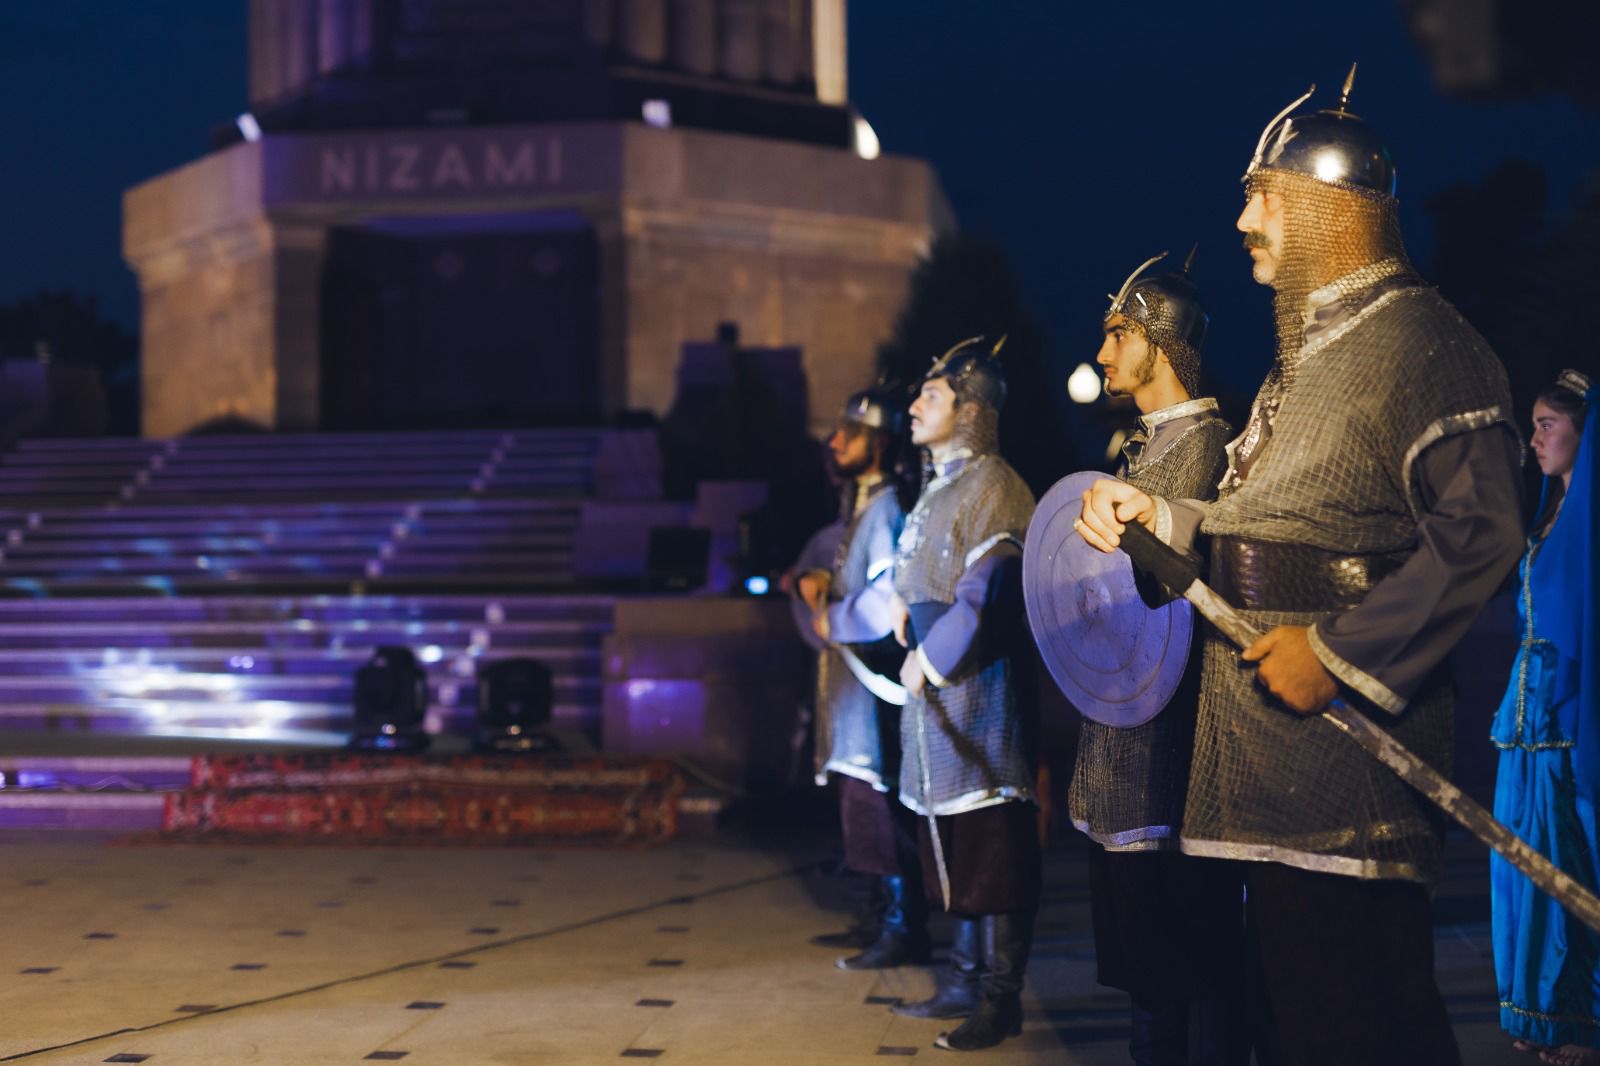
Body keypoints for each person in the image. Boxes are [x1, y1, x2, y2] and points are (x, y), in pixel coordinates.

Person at [1076, 72, 1525, 1065]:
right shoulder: (1304, 362)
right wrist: (1164, 515)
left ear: (1333, 208)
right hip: (1263, 764)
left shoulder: (1419, 340)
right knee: (1294, 1025)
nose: (1241, 219)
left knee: (1365, 1024)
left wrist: (1341, 652)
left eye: (1261, 193)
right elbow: (1261, 529)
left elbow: (1485, 528)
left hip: (1346, 763)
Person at [1070, 251, 1245, 1065]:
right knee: (1150, 973)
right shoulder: (1143, 447)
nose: (1103, 354)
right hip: (1126, 735)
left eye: (1118, 333)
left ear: (1161, 338)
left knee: (1183, 970)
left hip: (1172, 749)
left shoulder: (1207, 446)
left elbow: (1175, 595)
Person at [885, 336, 1039, 1052]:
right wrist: (900, 603)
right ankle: (962, 975)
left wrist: (933, 662)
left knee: (991, 849)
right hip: (934, 692)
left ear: (971, 409)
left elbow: (987, 593)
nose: (915, 406)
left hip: (978, 691)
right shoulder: (941, 484)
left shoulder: (995, 485)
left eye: (933, 396)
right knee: (949, 839)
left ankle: (1000, 997)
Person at [793, 386, 928, 970]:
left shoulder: (888, 505)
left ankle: (904, 928)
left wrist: (833, 614)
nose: (836, 441)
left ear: (877, 442)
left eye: (850, 432)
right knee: (859, 802)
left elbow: (885, 597)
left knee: (877, 804)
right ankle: (881, 915)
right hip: (848, 688)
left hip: (872, 688)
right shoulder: (860, 504)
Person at [1491, 369, 1599, 1066]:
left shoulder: (1589, 524)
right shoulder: (1547, 515)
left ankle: (1581, 1019)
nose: (1534, 438)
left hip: (1566, 719)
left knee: (1571, 865)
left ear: (1583, 436)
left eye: (1547, 425)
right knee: (1524, 866)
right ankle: (1535, 1008)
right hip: (1524, 721)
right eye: (1533, 424)